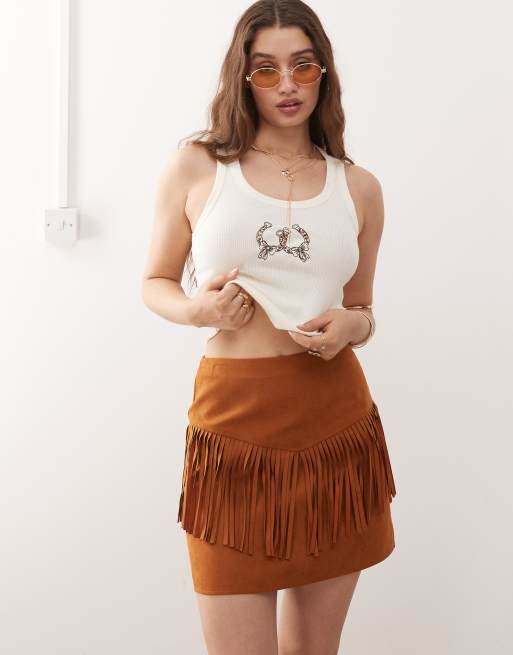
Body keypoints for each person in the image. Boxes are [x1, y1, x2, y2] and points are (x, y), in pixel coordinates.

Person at [142, 1, 397, 653]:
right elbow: (156, 281)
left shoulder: (359, 188)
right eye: (266, 69)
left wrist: (350, 326)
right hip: (233, 425)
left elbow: (363, 308)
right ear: (243, 76)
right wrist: (197, 309)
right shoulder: (199, 165)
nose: (287, 84)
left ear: (323, 73)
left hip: (332, 423)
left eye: (302, 66)